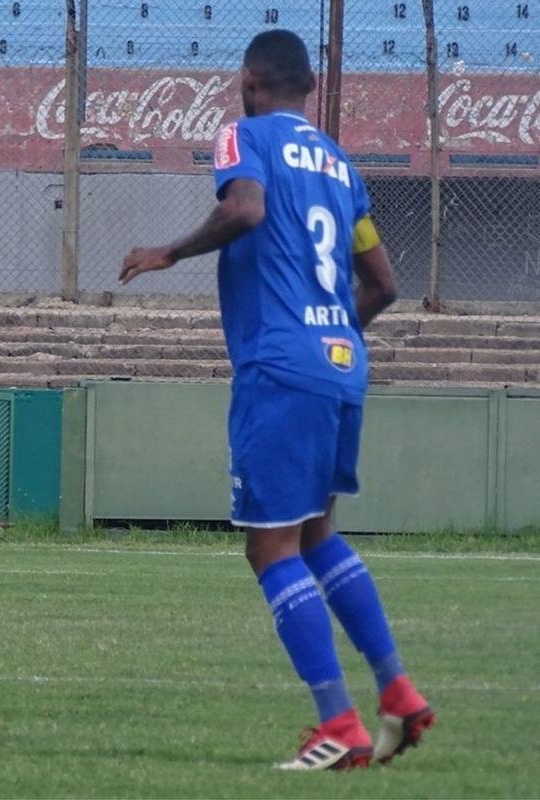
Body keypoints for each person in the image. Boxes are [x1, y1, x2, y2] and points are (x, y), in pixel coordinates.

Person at [119, 30, 433, 770]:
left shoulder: (242, 135)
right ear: (310, 87)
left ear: (248, 80)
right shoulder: (339, 164)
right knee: (317, 535)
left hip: (280, 363)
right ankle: (396, 691)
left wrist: (167, 251)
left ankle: (341, 727)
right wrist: (327, 341)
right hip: (341, 360)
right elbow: (382, 284)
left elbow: (246, 210)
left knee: (270, 545)